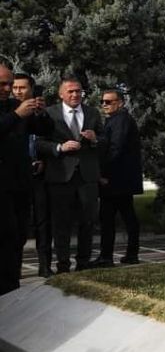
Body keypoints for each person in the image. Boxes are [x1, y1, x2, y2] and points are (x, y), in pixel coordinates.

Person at [37, 77, 103, 272]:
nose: (75, 95)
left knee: (88, 221)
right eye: (70, 91)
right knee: (61, 223)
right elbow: (39, 143)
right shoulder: (49, 114)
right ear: (61, 94)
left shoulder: (92, 113)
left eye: (78, 91)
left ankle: (83, 262)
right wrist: (59, 147)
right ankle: (63, 265)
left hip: (87, 176)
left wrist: (95, 138)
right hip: (60, 175)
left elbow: (105, 140)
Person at [0, 65, 51, 293]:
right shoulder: (14, 111)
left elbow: (44, 129)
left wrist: (40, 112)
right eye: (2, 84)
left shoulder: (14, 105)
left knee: (19, 236)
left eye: (10, 84)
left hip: (20, 184)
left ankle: (12, 286)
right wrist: (15, 116)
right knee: (6, 236)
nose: (8, 89)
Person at [12, 73, 54, 277]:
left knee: (43, 222)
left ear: (31, 89)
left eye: (22, 88)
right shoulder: (9, 112)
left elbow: (47, 134)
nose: (18, 91)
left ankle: (45, 265)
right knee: (15, 224)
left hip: (39, 176)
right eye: (15, 87)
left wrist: (41, 113)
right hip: (15, 178)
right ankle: (14, 266)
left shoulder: (38, 113)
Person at [96, 89, 142, 266]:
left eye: (109, 101)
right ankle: (130, 254)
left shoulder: (121, 120)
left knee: (108, 218)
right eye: (103, 102)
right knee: (126, 216)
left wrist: (104, 174)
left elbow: (116, 148)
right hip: (121, 179)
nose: (104, 105)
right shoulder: (116, 120)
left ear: (120, 103)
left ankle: (107, 256)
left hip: (116, 180)